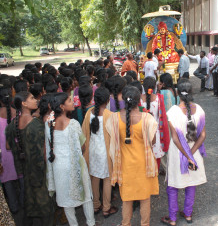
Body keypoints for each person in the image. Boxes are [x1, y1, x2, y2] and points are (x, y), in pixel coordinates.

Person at [105, 85, 159, 226]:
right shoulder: (147, 118)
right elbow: (153, 141)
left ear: (123, 99)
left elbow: (112, 137)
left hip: (125, 165)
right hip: (143, 165)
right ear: (139, 100)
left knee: (127, 199)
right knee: (145, 198)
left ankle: (125, 224)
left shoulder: (114, 118)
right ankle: (145, 224)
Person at [160, 78, 207, 226]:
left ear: (178, 93)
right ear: (191, 92)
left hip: (177, 154)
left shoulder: (173, 112)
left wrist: (186, 155)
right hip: (194, 153)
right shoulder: (199, 109)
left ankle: (173, 219)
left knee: (173, 185)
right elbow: (203, 135)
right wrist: (191, 154)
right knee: (190, 183)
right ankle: (187, 214)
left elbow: (175, 139)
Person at [45, 92, 95, 226]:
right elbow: (83, 147)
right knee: (85, 196)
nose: (72, 102)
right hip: (75, 166)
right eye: (69, 101)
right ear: (62, 106)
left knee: (66, 199)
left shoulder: (49, 123)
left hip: (58, 167)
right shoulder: (73, 124)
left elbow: (48, 146)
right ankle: (90, 223)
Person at [6, 91, 54, 225]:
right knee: (45, 203)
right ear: (24, 103)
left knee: (30, 200)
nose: (35, 100)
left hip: (26, 169)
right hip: (39, 170)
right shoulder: (36, 124)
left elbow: (8, 146)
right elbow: (44, 150)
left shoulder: (13, 124)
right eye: (32, 98)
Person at [82, 87, 118, 218]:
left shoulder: (89, 113)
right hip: (106, 153)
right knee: (107, 179)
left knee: (95, 178)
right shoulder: (110, 115)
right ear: (108, 100)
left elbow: (83, 133)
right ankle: (106, 208)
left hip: (92, 151)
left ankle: (96, 205)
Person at [141, 77, 169, 169]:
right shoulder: (159, 98)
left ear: (143, 87)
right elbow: (163, 117)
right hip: (156, 134)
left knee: (144, 160)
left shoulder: (139, 99)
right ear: (154, 87)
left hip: (142, 132)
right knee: (156, 160)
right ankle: (155, 180)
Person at [0, 85, 20, 214]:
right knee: (22, 182)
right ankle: (25, 204)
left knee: (8, 183)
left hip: (4, 157)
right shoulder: (18, 113)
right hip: (19, 153)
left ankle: (14, 207)